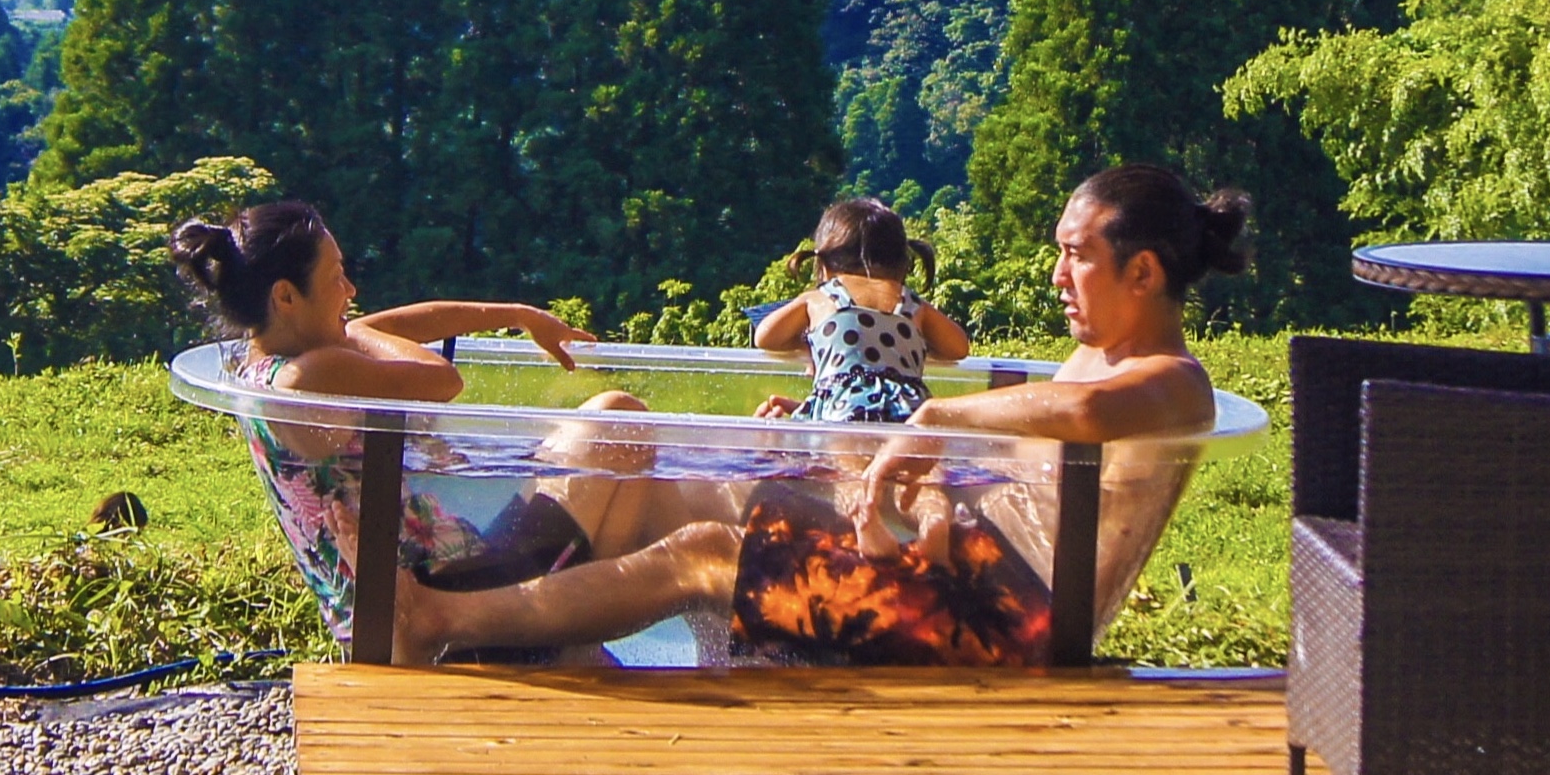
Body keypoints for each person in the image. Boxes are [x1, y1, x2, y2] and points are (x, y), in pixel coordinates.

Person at [382, 164, 1248, 668]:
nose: (1058, 274)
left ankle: (445, 621)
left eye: (1077, 256)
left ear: (1141, 274)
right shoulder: (1096, 353)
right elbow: (1024, 474)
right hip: (954, 569)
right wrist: (911, 470)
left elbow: (1084, 413)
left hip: (1002, 628)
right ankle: (502, 616)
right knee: (662, 487)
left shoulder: (1170, 381)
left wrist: (930, 425)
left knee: (707, 555)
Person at [179, 201, 696, 654]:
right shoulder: (310, 375)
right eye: (337, 277)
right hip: (438, 597)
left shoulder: (264, 361)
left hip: (407, 593)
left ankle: (562, 637)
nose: (351, 289)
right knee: (619, 420)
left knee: (616, 446)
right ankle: (557, 635)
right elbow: (440, 378)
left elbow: (384, 329)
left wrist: (517, 315)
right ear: (286, 297)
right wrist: (357, 335)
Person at [748, 197, 970, 424]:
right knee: (900, 459)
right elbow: (958, 348)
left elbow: (765, 337)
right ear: (904, 263)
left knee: (839, 457)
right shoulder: (910, 303)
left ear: (822, 264)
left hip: (842, 404)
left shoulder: (821, 298)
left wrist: (811, 342)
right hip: (910, 409)